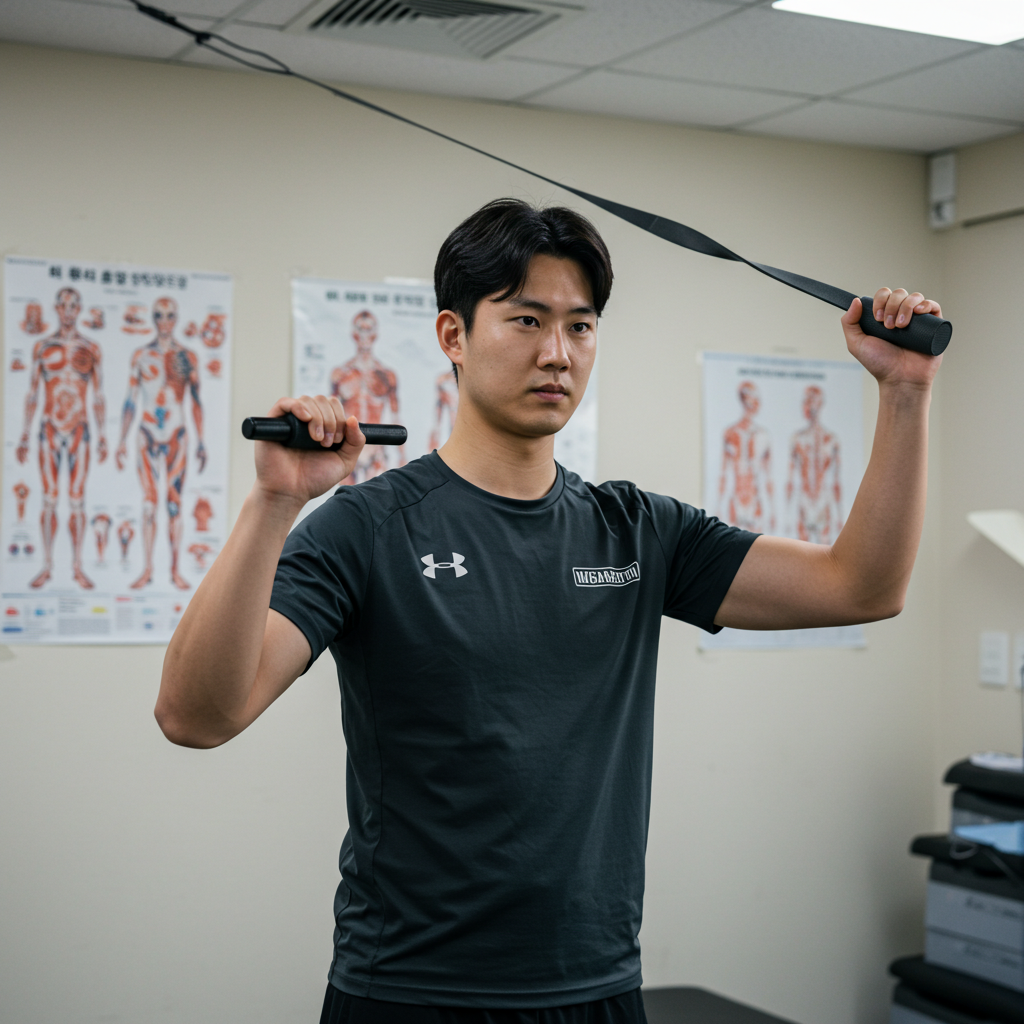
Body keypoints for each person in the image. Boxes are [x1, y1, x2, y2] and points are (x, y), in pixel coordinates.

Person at [156, 199, 941, 1024]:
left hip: (598, 987)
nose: (557, 353)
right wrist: (275, 502)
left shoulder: (638, 531)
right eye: (527, 320)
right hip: (412, 991)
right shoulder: (369, 528)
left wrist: (905, 392)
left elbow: (863, 587)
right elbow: (196, 715)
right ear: (454, 336)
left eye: (581, 326)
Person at [15, 286, 107, 590]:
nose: (68, 311)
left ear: (79, 310)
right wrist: (24, 434)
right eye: (64, 305)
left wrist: (103, 435)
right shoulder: (43, 347)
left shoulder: (91, 348)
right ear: (56, 308)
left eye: (73, 306)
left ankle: (77, 567)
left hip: (79, 428)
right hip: (49, 428)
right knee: (50, 498)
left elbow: (98, 395)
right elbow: (32, 393)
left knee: (77, 499)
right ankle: (47, 566)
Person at [115, 296, 206, 590]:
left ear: (175, 319)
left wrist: (201, 441)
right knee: (149, 504)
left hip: (177, 434)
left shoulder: (187, 357)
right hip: (147, 433)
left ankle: (175, 570)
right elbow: (130, 400)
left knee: (174, 504)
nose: (164, 321)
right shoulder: (141, 356)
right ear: (153, 319)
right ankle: (148, 569)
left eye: (169, 315)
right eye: (158, 315)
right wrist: (121, 439)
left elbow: (196, 401)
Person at [330, 310, 406, 483]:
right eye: (361, 329)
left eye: (368, 329)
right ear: (354, 334)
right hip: (347, 450)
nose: (364, 335)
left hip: (375, 451)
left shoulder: (387, 375)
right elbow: (330, 415)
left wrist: (402, 456)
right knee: (345, 499)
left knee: (378, 498)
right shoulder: (340, 375)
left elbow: (396, 418)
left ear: (375, 334)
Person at [786, 385, 843, 543]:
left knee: (825, 550)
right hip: (804, 499)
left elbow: (836, 482)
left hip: (823, 500)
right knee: (802, 549)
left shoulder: (832, 440)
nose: (806, 406)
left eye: (810, 401)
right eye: (805, 401)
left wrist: (840, 515)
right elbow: (790, 480)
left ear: (819, 404)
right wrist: (787, 515)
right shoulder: (797, 439)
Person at [717, 379, 774, 533]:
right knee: (733, 544)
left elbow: (768, 476)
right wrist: (718, 507)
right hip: (736, 500)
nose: (758, 403)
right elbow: (723, 473)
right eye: (754, 398)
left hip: (754, 499)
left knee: (758, 544)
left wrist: (773, 510)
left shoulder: (763, 435)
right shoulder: (730, 433)